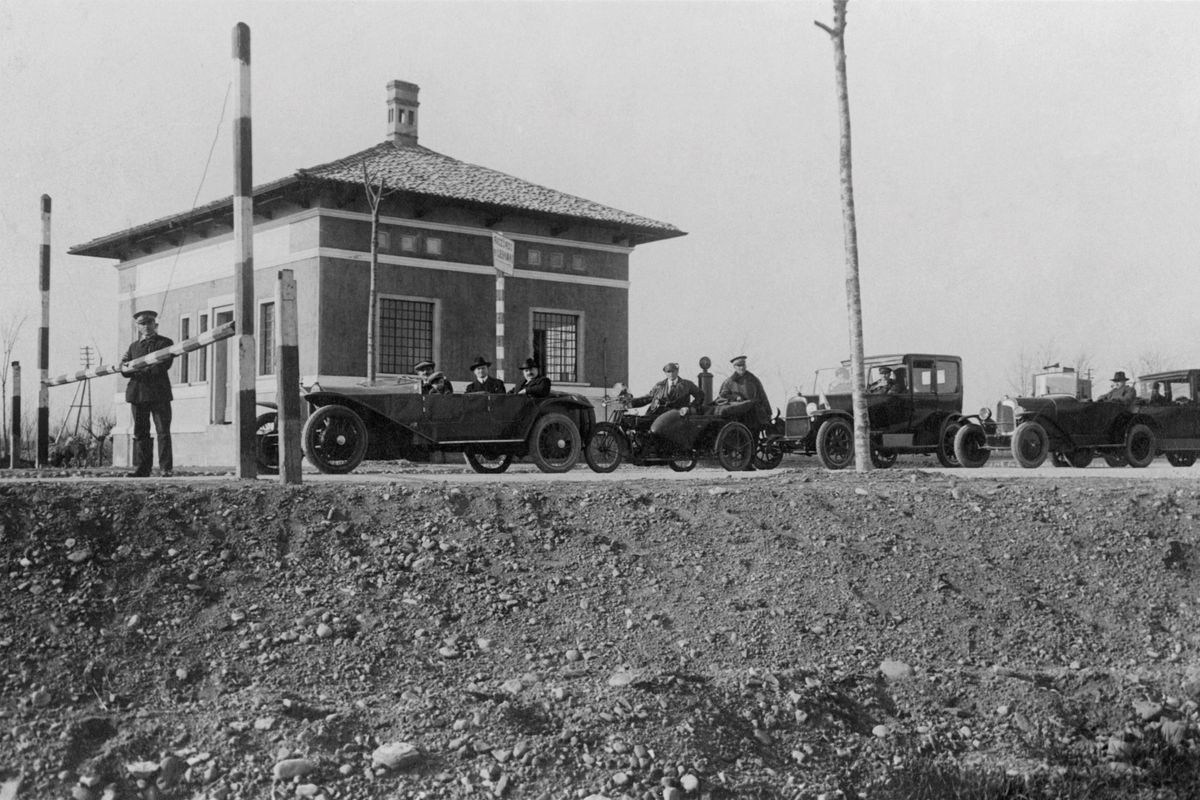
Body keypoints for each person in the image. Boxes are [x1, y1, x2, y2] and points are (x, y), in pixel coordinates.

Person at [120, 309, 175, 478]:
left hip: (159, 393)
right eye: (143, 323)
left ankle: (166, 468)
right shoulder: (133, 346)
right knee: (141, 432)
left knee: (163, 431)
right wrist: (130, 368)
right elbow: (124, 369)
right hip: (138, 394)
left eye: (150, 322)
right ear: (137, 327)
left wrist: (140, 369)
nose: (147, 326)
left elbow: (163, 365)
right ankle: (143, 468)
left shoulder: (165, 343)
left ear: (155, 324)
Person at [628, 362, 704, 417]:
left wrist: (689, 408)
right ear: (665, 373)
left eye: (673, 371)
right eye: (668, 372)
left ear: (677, 371)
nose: (671, 374)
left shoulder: (687, 384)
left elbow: (700, 395)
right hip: (661, 418)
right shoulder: (659, 386)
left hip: (679, 417)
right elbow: (647, 398)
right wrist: (630, 403)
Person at [718, 355, 772, 427]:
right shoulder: (729, 382)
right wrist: (735, 397)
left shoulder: (753, 380)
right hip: (737, 416)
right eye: (739, 366)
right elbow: (723, 395)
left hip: (753, 415)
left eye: (743, 365)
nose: (742, 368)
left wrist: (768, 413)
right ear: (734, 367)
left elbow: (762, 396)